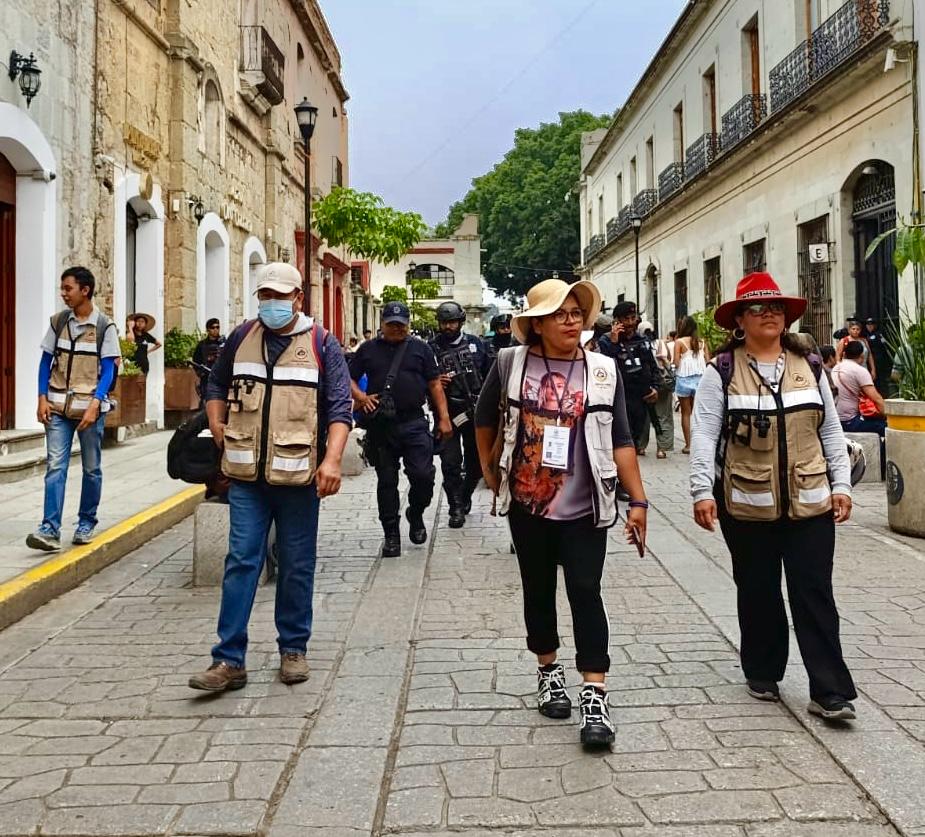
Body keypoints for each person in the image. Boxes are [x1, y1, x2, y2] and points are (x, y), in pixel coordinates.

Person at [474, 278, 648, 748]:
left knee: (586, 590)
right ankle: (548, 670)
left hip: (587, 503)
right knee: (538, 589)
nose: (571, 321)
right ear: (537, 324)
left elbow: (622, 440)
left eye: (575, 313)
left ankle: (595, 692)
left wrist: (639, 501)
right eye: (560, 314)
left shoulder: (603, 370)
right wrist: (493, 475)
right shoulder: (510, 363)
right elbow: (484, 418)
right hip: (529, 505)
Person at [690, 272, 857, 721]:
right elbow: (704, 433)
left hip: (811, 500)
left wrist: (841, 484)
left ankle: (829, 690)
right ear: (740, 321)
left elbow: (829, 429)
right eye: (759, 309)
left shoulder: (811, 366)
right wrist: (701, 490)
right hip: (745, 504)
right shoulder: (721, 370)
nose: (769, 315)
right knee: (758, 587)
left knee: (814, 591)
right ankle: (762, 669)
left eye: (776, 309)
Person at [188, 262, 353, 692]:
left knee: (297, 565)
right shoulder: (241, 338)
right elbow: (215, 385)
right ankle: (228, 660)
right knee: (241, 560)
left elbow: (339, 408)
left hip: (299, 479)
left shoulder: (321, 343)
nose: (273, 304)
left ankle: (293, 649)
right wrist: (217, 423)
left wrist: (332, 461)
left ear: (298, 298)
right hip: (245, 476)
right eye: (266, 296)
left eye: (281, 296)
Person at [27, 267, 121, 551]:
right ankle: (49, 529)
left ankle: (86, 522)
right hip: (57, 409)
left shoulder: (105, 327)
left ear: (85, 290)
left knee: (92, 468)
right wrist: (41, 397)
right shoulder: (58, 322)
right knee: (55, 466)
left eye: (68, 288)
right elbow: (46, 362)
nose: (63, 294)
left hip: (90, 412)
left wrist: (96, 404)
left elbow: (107, 370)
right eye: (62, 288)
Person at [350, 302, 452, 557]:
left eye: (401, 324)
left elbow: (434, 384)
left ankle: (415, 513)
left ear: (407, 324)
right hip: (381, 426)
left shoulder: (421, 349)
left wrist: (444, 417)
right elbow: (347, 376)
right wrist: (361, 397)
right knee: (387, 481)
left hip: (414, 421)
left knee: (423, 475)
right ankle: (391, 534)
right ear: (382, 324)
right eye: (391, 324)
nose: (396, 328)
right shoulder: (368, 350)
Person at [429, 301, 490, 528]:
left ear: (461, 321)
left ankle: (464, 496)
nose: (447, 327)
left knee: (476, 463)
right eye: (444, 322)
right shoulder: (430, 348)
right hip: (448, 414)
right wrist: (435, 382)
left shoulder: (478, 345)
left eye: (452, 322)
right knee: (450, 463)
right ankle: (455, 507)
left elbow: (490, 377)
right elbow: (421, 380)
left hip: (475, 412)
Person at [597, 301, 659, 456]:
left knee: (636, 436)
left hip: (640, 398)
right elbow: (605, 366)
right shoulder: (606, 341)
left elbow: (652, 366)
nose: (631, 323)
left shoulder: (642, 340)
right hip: (618, 398)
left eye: (633, 318)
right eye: (626, 319)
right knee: (622, 439)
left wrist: (655, 387)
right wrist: (614, 342)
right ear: (617, 321)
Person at [832, 340, 887, 437]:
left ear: (844, 354)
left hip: (834, 420)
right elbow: (876, 399)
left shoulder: (835, 369)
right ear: (862, 357)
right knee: (884, 426)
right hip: (849, 421)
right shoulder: (859, 371)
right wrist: (887, 416)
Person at [637, 320, 675, 459]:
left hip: (645, 383)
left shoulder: (638, 344)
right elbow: (669, 360)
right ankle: (661, 449)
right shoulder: (660, 343)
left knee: (644, 417)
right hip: (662, 384)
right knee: (663, 416)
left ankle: (641, 446)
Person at [673, 315, 710, 454]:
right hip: (701, 380)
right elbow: (708, 360)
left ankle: (688, 445)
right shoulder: (702, 342)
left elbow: (676, 362)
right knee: (697, 413)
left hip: (684, 379)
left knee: (686, 413)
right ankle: (699, 443)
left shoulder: (679, 342)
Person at [192, 318, 225, 401]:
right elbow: (196, 360)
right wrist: (200, 373)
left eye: (218, 327)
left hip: (221, 378)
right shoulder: (202, 345)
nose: (216, 330)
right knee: (206, 401)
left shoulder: (224, 343)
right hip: (206, 378)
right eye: (213, 328)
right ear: (208, 330)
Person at [864, 317, 892, 395]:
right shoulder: (865, 336)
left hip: (879, 360)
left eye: (871, 324)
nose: (869, 326)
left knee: (880, 379)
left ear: (874, 325)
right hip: (869, 361)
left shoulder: (878, 334)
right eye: (868, 325)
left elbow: (884, 345)